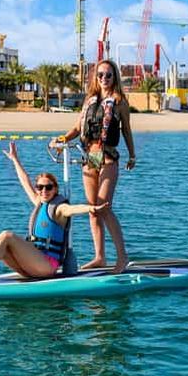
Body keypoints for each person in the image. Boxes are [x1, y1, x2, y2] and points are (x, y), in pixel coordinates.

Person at [0, 142, 108, 284]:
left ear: (55, 189)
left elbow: (73, 209)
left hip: (47, 266)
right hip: (31, 265)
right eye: (40, 187)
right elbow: (25, 180)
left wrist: (92, 208)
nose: (43, 191)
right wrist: (15, 160)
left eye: (48, 187)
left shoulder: (59, 209)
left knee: (7, 236)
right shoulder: (39, 203)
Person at [53, 59, 135, 273]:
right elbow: (76, 127)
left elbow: (126, 130)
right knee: (92, 210)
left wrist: (132, 155)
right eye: (100, 75)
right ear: (95, 78)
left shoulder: (119, 102)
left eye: (108, 75)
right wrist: (61, 139)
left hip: (108, 157)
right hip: (89, 157)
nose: (104, 79)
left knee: (104, 207)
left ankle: (122, 257)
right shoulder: (89, 100)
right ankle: (99, 257)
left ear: (114, 77)